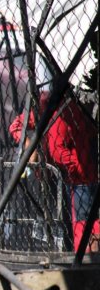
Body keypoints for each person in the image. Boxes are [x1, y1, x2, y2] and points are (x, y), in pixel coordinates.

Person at [9, 90, 99, 253]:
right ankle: (80, 258)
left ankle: (85, 260)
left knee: (84, 225)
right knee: (72, 225)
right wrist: (32, 145)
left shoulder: (72, 105)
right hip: (63, 177)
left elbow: (59, 149)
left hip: (80, 177)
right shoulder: (45, 105)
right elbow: (15, 126)